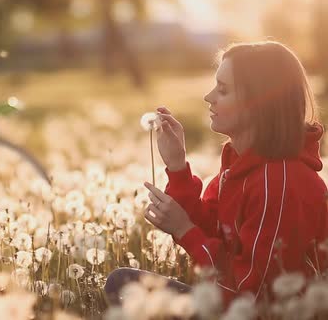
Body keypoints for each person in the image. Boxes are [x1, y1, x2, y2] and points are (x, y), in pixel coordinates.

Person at [104, 41, 328, 307]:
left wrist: (183, 229)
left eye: (223, 90)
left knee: (125, 288)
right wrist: (177, 166)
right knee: (123, 284)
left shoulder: (280, 183)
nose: (208, 97)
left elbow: (254, 296)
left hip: (261, 312)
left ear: (257, 103)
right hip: (232, 304)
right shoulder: (239, 165)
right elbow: (210, 228)